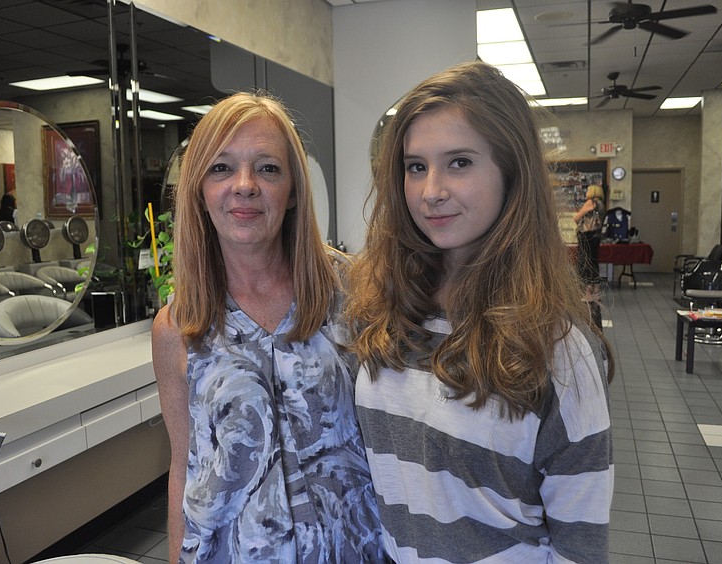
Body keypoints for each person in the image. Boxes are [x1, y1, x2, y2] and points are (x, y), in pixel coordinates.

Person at [345, 61, 614, 563]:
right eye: (415, 166)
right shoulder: (387, 311)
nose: (431, 191)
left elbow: (580, 547)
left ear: (511, 171)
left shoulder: (557, 349)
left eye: (460, 162)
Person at [152, 91, 384, 563]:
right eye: (221, 168)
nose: (244, 185)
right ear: (199, 188)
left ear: (294, 189)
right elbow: (185, 465)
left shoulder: (356, 293)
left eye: (267, 168)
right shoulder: (178, 326)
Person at [574, 183, 606, 329]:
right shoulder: (601, 204)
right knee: (593, 262)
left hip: (586, 236)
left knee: (585, 262)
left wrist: (578, 214)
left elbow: (577, 218)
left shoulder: (590, 202)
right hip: (595, 236)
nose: (586, 192)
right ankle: (596, 291)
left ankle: (588, 293)